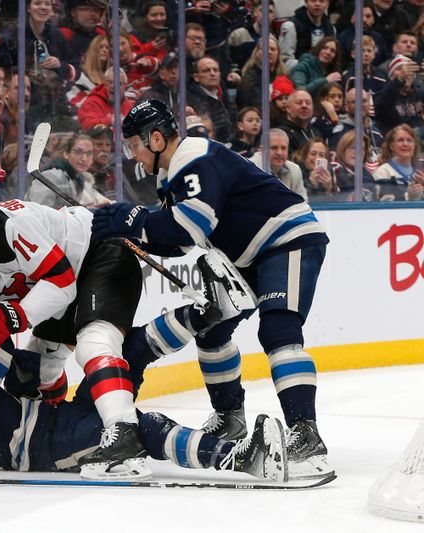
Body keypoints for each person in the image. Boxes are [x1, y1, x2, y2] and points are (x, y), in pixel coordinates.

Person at [91, 99, 333, 481]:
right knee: (212, 329)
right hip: (249, 256)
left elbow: (191, 225)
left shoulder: (194, 156)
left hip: (287, 238)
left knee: (279, 329)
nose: (133, 155)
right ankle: (230, 420)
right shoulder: (170, 175)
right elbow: (177, 243)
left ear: (156, 138)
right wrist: (128, 231)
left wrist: (134, 219)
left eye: (135, 145)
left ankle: (307, 436)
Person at [0, 196, 148, 479]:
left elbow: (62, 283)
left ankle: (124, 432)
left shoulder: (13, 226)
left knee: (94, 342)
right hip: (61, 284)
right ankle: (57, 429)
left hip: (99, 255)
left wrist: (13, 315)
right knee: (33, 371)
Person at [0, 326, 288, 482]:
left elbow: (12, 398)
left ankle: (196, 316)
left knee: (121, 358)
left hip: (56, 425)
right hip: (55, 443)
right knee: (145, 427)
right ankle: (239, 458)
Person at [26, 132, 110, 208]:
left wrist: (87, 209)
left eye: (89, 153)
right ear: (66, 154)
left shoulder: (79, 179)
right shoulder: (51, 176)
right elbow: (39, 210)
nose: (84, 158)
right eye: (78, 152)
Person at [250, 128, 308, 200]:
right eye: (274, 148)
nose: (279, 153)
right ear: (262, 149)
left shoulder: (295, 170)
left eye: (283, 148)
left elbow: (303, 203)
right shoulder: (250, 170)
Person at [371, 124, 424, 201]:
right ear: (392, 146)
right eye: (400, 140)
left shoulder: (421, 171)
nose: (405, 144)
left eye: (409, 140)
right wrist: (409, 197)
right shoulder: (382, 172)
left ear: (414, 145)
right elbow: (385, 203)